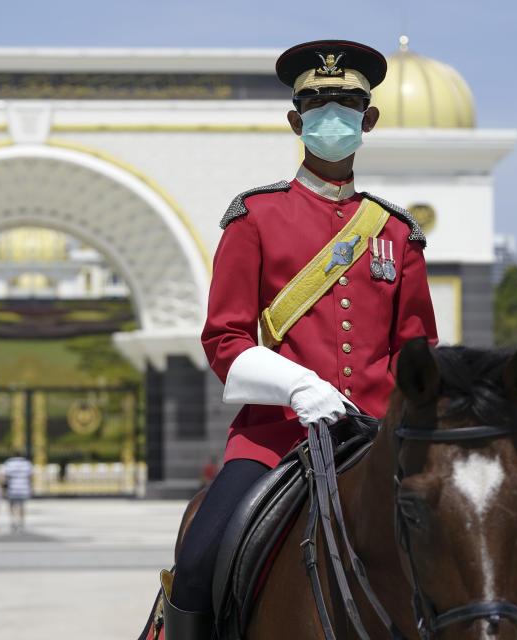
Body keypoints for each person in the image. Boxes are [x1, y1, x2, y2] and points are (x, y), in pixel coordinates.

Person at [158, 39, 438, 638]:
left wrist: (386, 415)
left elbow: (419, 353)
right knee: (199, 558)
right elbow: (225, 339)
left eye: (346, 106)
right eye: (317, 105)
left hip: (376, 438)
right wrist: (296, 388)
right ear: (296, 120)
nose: (331, 117)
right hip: (275, 438)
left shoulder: (396, 233)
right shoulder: (255, 218)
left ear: (368, 121)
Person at [1, 450, 33, 533]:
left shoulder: (9, 463)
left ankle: (13, 521)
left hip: (12, 488)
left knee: (11, 506)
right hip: (23, 487)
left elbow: (5, 476)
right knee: (22, 507)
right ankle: (21, 523)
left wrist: (4, 489)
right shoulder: (27, 463)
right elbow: (30, 477)